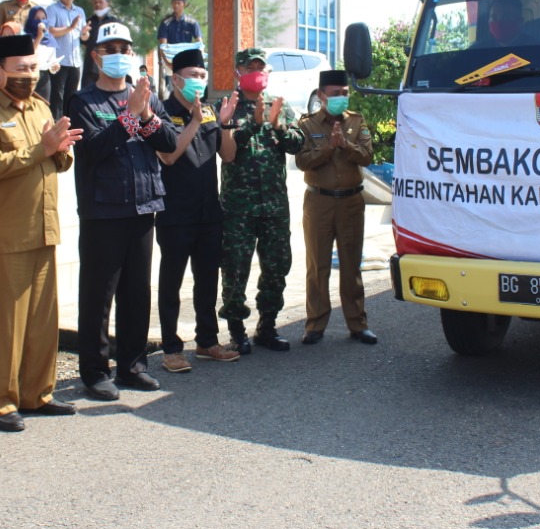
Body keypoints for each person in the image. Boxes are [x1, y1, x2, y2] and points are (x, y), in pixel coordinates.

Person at [0, 34, 82, 432]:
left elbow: (58, 161)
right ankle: (1, 400)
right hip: (8, 233)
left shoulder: (39, 106)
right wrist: (41, 149)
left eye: (33, 69)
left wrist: (61, 147)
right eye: (21, 70)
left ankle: (38, 393)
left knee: (41, 319)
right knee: (7, 323)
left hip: (44, 228)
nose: (29, 77)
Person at [67, 21, 178, 401]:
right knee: (99, 295)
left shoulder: (145, 95)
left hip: (144, 208)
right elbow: (96, 149)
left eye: (125, 49)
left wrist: (145, 116)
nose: (119, 55)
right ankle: (96, 372)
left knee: (136, 292)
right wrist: (130, 116)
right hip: (103, 211)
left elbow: (170, 143)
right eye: (110, 48)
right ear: (97, 56)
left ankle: (132, 366)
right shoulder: (83, 101)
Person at [154, 47, 241, 373]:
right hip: (175, 214)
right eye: (193, 76)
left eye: (202, 76)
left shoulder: (208, 112)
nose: (198, 82)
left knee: (207, 280)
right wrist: (192, 121)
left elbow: (228, 156)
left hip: (208, 213)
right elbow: (169, 155)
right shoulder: (162, 111)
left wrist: (226, 125)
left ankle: (207, 341)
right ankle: (171, 349)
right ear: (176, 79)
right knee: (171, 283)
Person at [217, 47, 304, 353]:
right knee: (235, 268)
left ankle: (267, 325)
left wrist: (278, 125)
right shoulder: (227, 105)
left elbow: (298, 144)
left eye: (261, 67)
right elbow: (227, 148)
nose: (257, 72)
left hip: (274, 205)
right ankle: (236, 328)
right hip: (238, 207)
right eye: (251, 67)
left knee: (277, 266)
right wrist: (254, 122)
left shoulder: (280, 105)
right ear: (239, 71)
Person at [295, 70, 377, 345]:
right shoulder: (307, 124)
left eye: (344, 93)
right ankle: (315, 324)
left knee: (352, 265)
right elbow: (303, 161)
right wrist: (329, 148)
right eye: (335, 94)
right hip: (319, 202)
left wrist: (346, 145)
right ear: (321, 96)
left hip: (352, 202)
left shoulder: (356, 120)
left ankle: (358, 323)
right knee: (317, 265)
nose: (341, 98)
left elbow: (367, 156)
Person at [44, 0, 88, 118]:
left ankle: (70, 127)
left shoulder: (79, 11)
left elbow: (83, 37)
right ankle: (56, 125)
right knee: (57, 97)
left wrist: (85, 32)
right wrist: (70, 27)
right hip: (58, 61)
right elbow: (50, 31)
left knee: (72, 96)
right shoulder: (52, 9)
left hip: (75, 61)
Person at [157, 0, 202, 94]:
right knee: (174, 90)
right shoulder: (165, 23)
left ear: (184, 4)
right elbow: (162, 46)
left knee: (189, 90)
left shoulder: (192, 23)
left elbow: (199, 44)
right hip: (171, 62)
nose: (175, 5)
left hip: (188, 62)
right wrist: (168, 63)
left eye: (178, 3)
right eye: (173, 3)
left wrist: (196, 63)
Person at [82, 0, 116, 89]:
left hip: (108, 68)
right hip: (90, 68)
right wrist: (84, 34)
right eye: (95, 2)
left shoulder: (114, 22)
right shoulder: (88, 22)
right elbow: (84, 42)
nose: (97, 5)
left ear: (107, 3)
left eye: (100, 2)